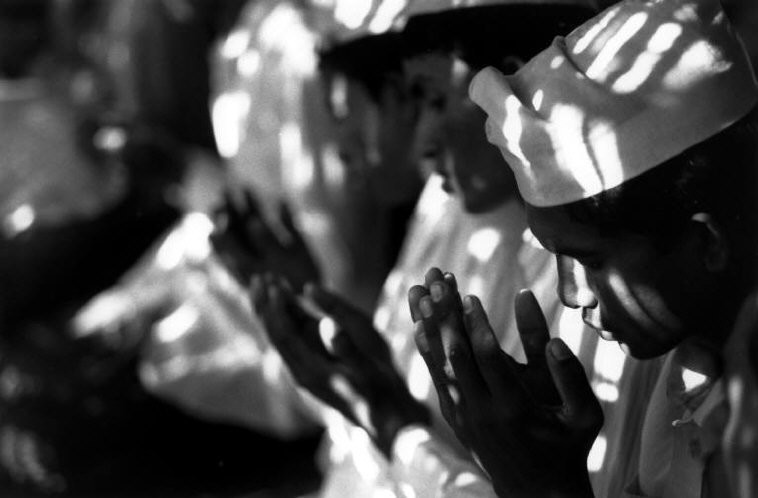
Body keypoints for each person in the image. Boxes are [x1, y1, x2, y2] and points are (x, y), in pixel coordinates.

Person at [408, 0, 758, 496]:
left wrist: (541, 484)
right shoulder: (693, 365)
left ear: (708, 243)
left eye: (589, 259)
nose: (571, 295)